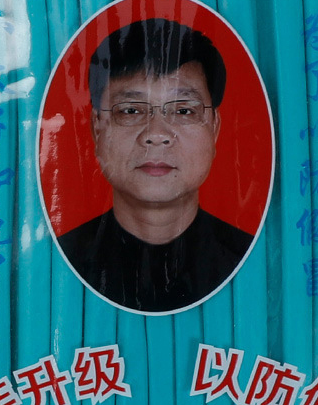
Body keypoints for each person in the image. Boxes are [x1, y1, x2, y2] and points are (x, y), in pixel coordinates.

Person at [56, 16, 255, 313]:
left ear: (214, 128)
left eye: (184, 110)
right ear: (97, 128)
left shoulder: (254, 261)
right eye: (131, 110)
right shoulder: (56, 266)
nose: (157, 134)